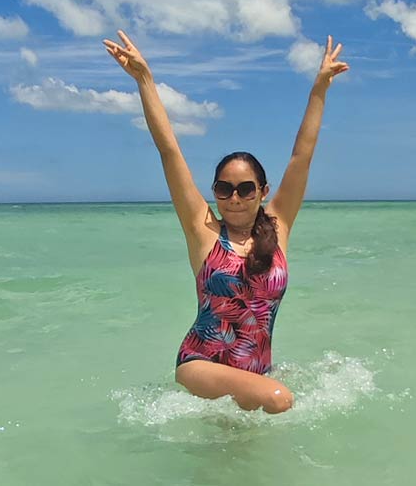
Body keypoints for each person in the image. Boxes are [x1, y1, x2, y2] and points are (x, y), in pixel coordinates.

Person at [103, 30, 349, 414]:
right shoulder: (203, 232)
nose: (234, 198)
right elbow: (169, 149)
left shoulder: (279, 225)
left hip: (256, 371)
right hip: (200, 365)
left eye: (245, 189)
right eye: (224, 188)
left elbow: (301, 157)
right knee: (279, 399)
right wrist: (144, 80)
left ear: (263, 191)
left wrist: (320, 88)